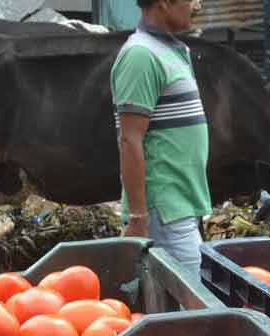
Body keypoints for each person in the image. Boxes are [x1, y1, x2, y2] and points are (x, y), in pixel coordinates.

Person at [111, 0, 212, 273]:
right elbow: (130, 140)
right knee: (192, 296)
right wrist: (138, 217)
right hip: (164, 211)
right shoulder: (140, 56)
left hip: (182, 206)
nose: (197, 5)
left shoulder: (172, 51)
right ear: (165, 3)